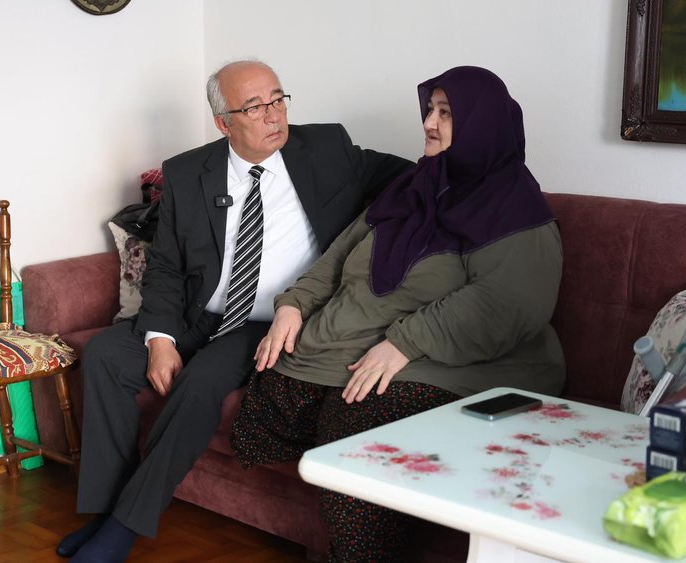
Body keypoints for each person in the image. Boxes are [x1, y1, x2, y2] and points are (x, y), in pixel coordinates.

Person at [57, 59, 412, 562]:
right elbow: (167, 265)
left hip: (269, 322)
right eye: (255, 107)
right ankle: (103, 510)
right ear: (224, 123)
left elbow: (416, 178)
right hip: (200, 313)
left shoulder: (328, 148)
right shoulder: (188, 172)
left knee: (202, 381)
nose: (274, 115)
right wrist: (160, 339)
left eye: (278, 99)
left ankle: (122, 528)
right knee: (106, 355)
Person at [230, 66, 565, 562]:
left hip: (474, 363)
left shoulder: (514, 206)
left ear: (482, 124)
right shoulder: (414, 186)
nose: (429, 122)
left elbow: (509, 302)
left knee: (355, 419)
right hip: (377, 339)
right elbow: (338, 257)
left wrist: (405, 343)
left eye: (446, 113)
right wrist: (294, 305)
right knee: (276, 393)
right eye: (429, 110)